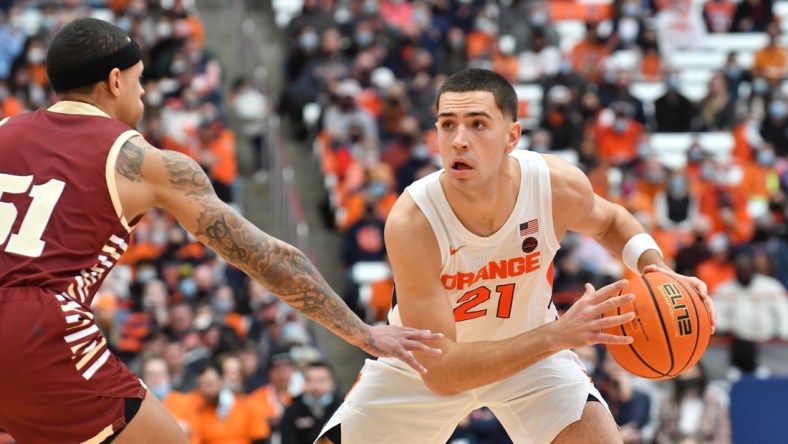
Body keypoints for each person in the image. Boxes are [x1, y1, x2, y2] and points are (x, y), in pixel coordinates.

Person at [0, 17, 441, 444]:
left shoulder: (5, 131)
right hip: (38, 330)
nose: (143, 90)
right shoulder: (142, 161)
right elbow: (265, 256)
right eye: (139, 79)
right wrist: (361, 332)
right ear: (115, 81)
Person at [319, 69, 716, 443]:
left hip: (533, 359)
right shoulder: (414, 220)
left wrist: (657, 268)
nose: (458, 139)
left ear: (512, 136)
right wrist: (559, 335)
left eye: (477, 124)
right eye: (447, 124)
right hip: (426, 364)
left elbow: (611, 220)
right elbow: (443, 373)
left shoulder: (553, 184)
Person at [280, 361, 341, 444]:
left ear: (332, 383)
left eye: (321, 380)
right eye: (310, 380)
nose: (316, 386)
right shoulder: (292, 410)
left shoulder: (342, 409)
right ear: (304, 382)